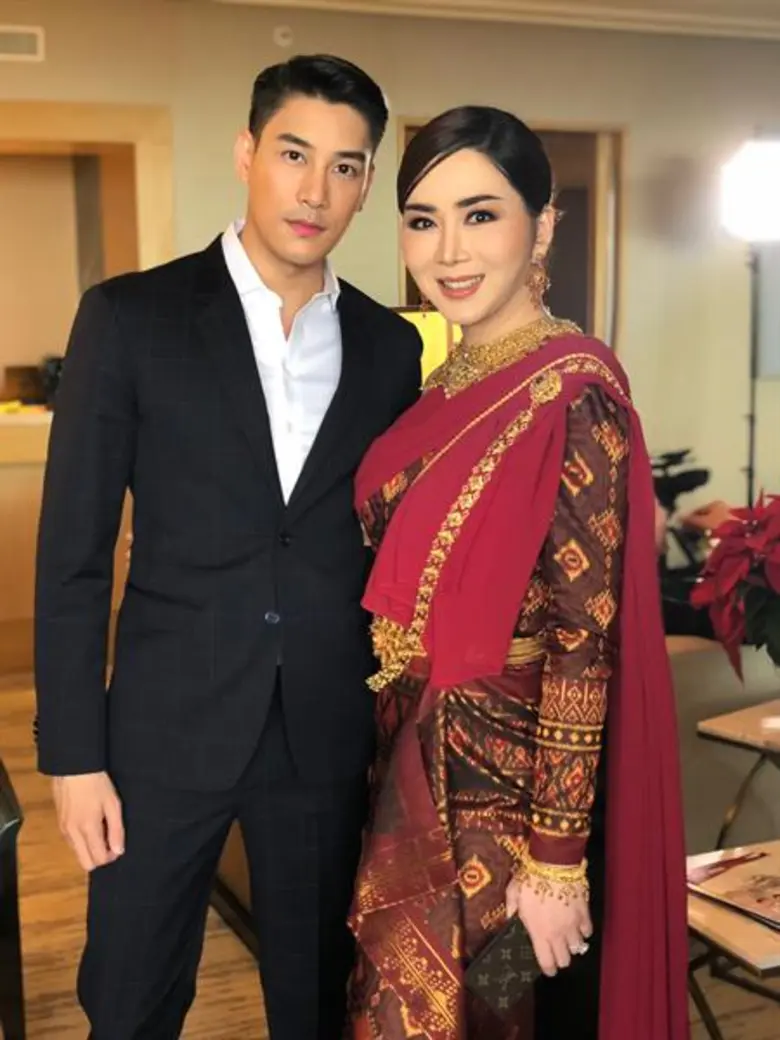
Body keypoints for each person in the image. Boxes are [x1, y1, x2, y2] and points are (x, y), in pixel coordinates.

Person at [33, 54, 422, 1039]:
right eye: (294, 154)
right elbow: (72, 557)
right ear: (247, 153)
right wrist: (74, 757)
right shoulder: (130, 318)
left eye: (345, 166)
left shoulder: (391, 348)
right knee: (129, 999)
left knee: (317, 1003)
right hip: (161, 731)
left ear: (367, 183)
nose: (315, 190)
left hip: (323, 733)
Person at [346, 107, 690, 1040]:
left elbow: (586, 640)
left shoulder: (576, 394)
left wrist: (557, 860)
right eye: (423, 220)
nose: (448, 251)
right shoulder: (438, 388)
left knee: (496, 1017)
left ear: (542, 228)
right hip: (410, 762)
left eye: (480, 215)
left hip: (510, 808)